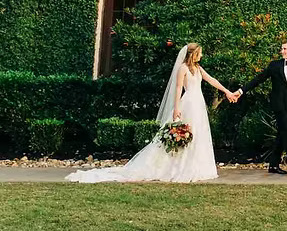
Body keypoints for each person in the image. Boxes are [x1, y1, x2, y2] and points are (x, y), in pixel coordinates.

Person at [66, 43, 236, 183]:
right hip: (188, 102)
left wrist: (227, 92)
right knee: (186, 132)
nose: (201, 56)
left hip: (198, 104)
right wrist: (177, 108)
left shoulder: (198, 69)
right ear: (192, 54)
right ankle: (179, 166)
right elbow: (178, 88)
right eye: (199, 53)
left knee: (199, 133)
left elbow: (211, 80)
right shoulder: (183, 68)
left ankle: (198, 165)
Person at [232, 40, 287, 175]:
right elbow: (258, 79)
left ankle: (273, 165)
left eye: (284, 49)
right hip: (278, 104)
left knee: (282, 133)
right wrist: (241, 91)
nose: (282, 51)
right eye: (282, 49)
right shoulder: (274, 66)